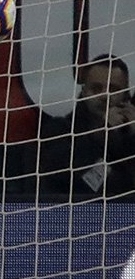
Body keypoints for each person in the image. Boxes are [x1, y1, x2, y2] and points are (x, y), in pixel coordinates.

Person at [35, 54, 135, 200]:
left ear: (126, 95)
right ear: (83, 92)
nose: (104, 96)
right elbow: (63, 178)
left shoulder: (129, 136)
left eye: (113, 89)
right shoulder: (59, 130)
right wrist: (103, 132)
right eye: (96, 88)